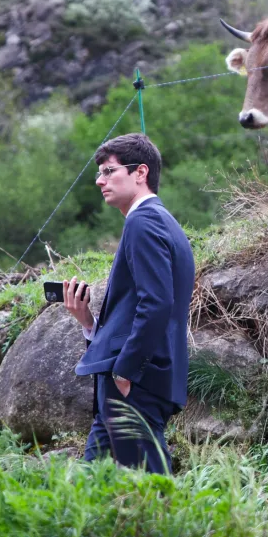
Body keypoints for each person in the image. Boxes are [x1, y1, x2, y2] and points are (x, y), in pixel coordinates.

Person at [60, 133, 195, 474]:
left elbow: (157, 303)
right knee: (93, 484)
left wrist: (126, 368)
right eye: (99, 173)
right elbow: (147, 303)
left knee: (149, 490)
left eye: (108, 171)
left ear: (140, 173)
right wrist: (88, 323)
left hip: (136, 379)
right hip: (138, 376)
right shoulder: (157, 221)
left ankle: (179, 529)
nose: (99, 180)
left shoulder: (143, 221)